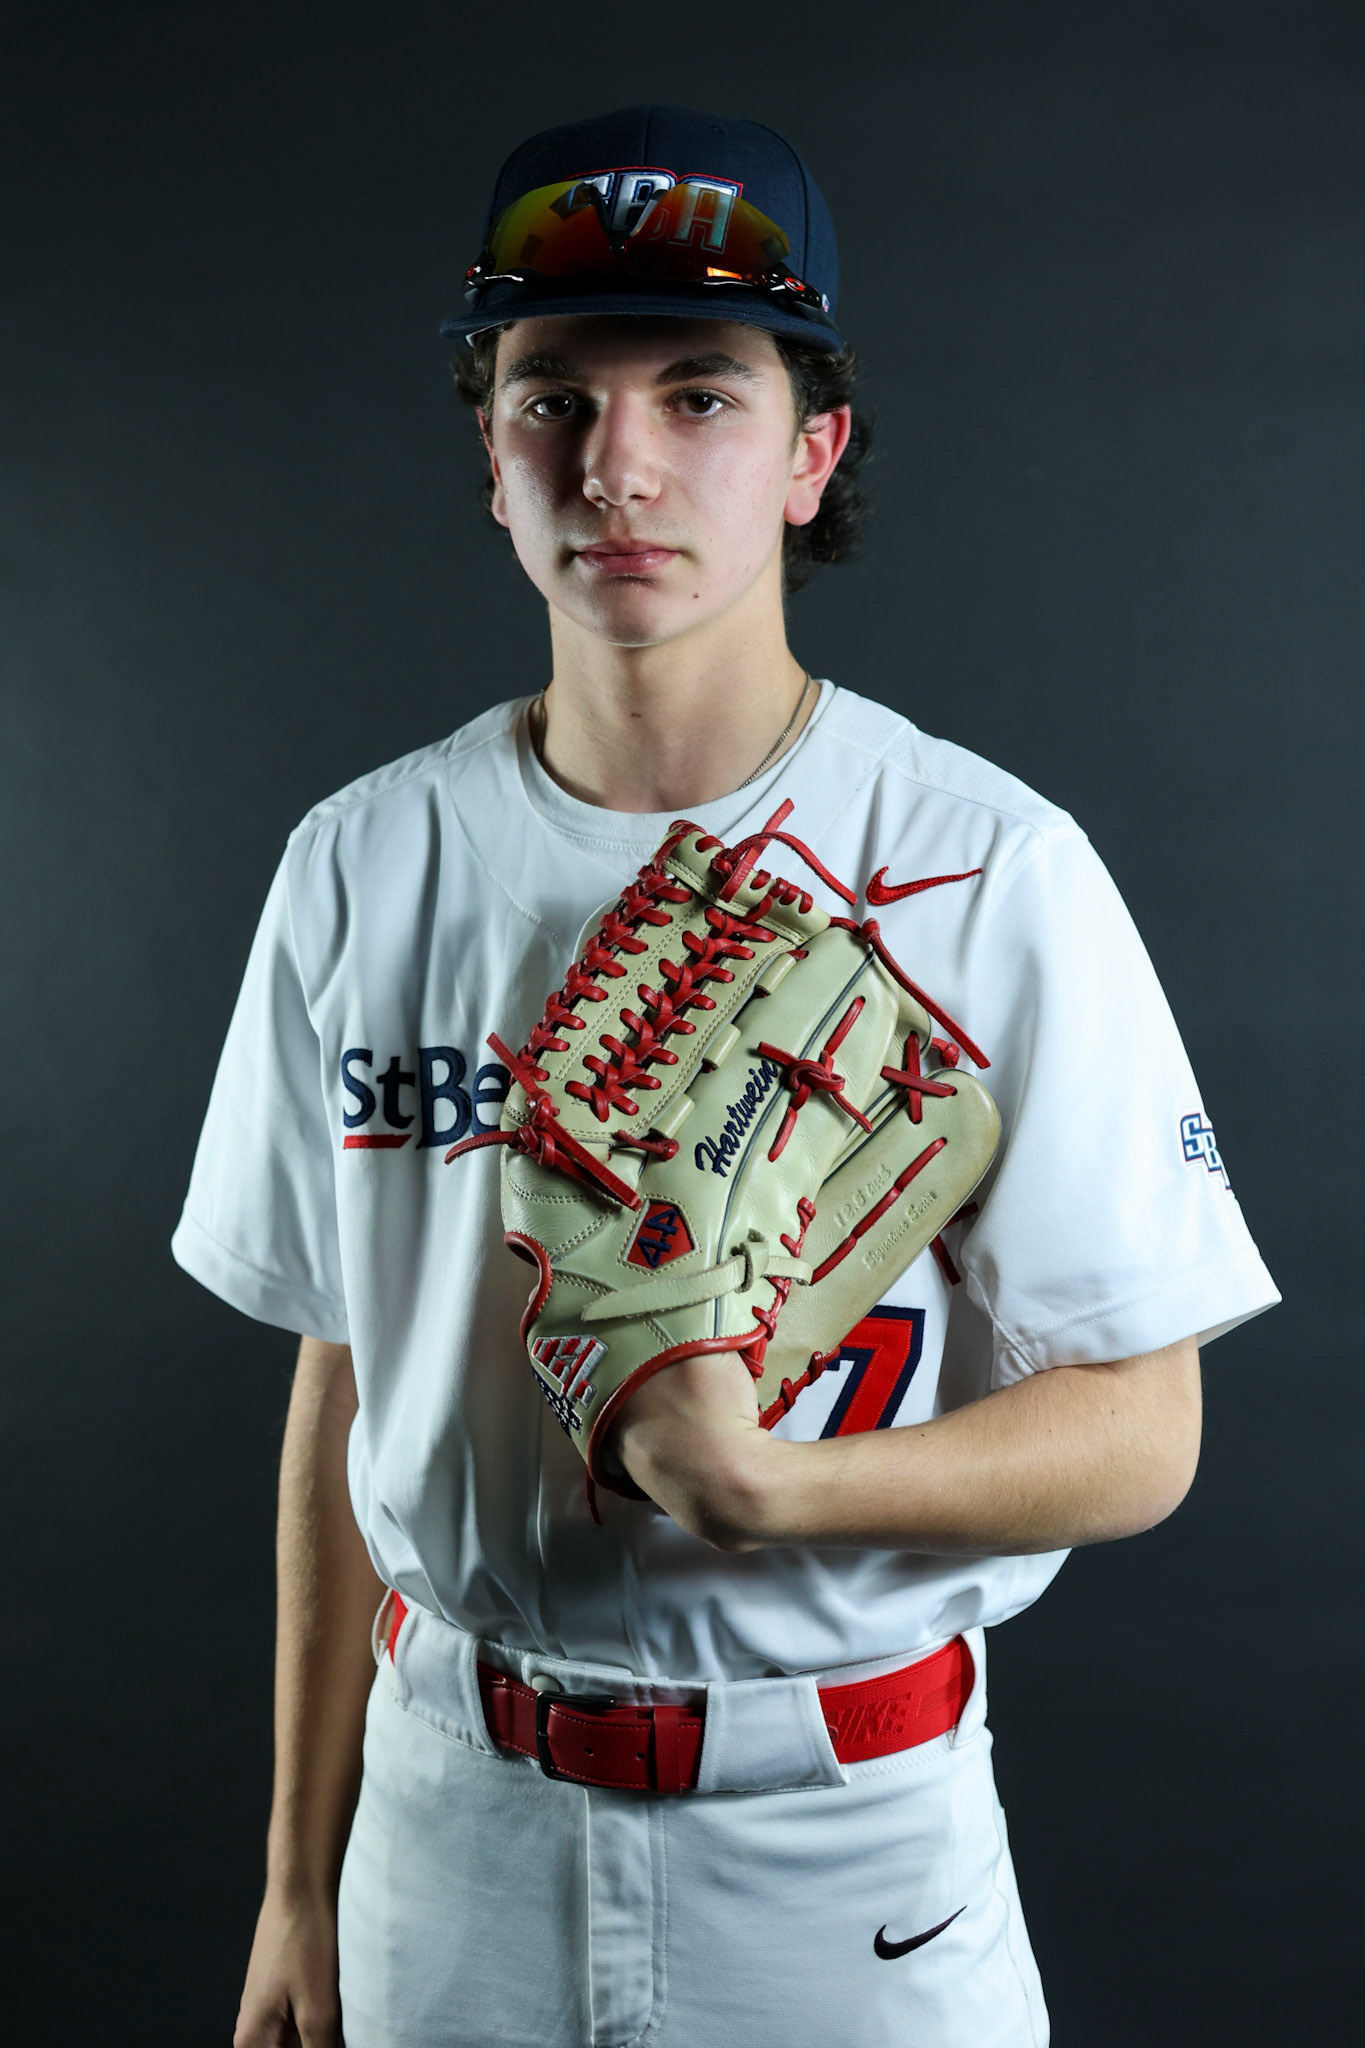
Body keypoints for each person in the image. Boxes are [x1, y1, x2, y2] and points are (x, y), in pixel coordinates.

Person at [174, 106, 1278, 2048]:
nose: (618, 465)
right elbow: (346, 1380)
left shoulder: (981, 867)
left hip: (844, 1855)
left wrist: (775, 1490)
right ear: (490, 454)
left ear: (810, 453)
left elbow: (1142, 1430)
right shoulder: (359, 864)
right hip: (447, 1834)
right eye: (552, 399)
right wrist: (295, 1876)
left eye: (698, 395)